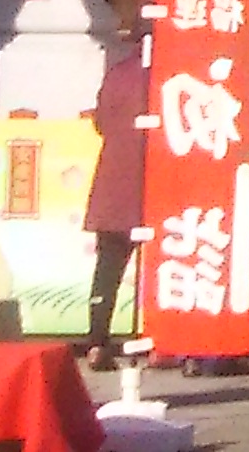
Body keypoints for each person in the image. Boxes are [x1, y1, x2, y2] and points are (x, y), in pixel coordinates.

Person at [81, 35, 149, 369]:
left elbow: (101, 122)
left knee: (107, 268)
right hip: (157, 182)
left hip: (113, 181)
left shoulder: (119, 72)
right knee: (163, 265)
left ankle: (96, 341)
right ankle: (162, 342)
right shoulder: (175, 74)